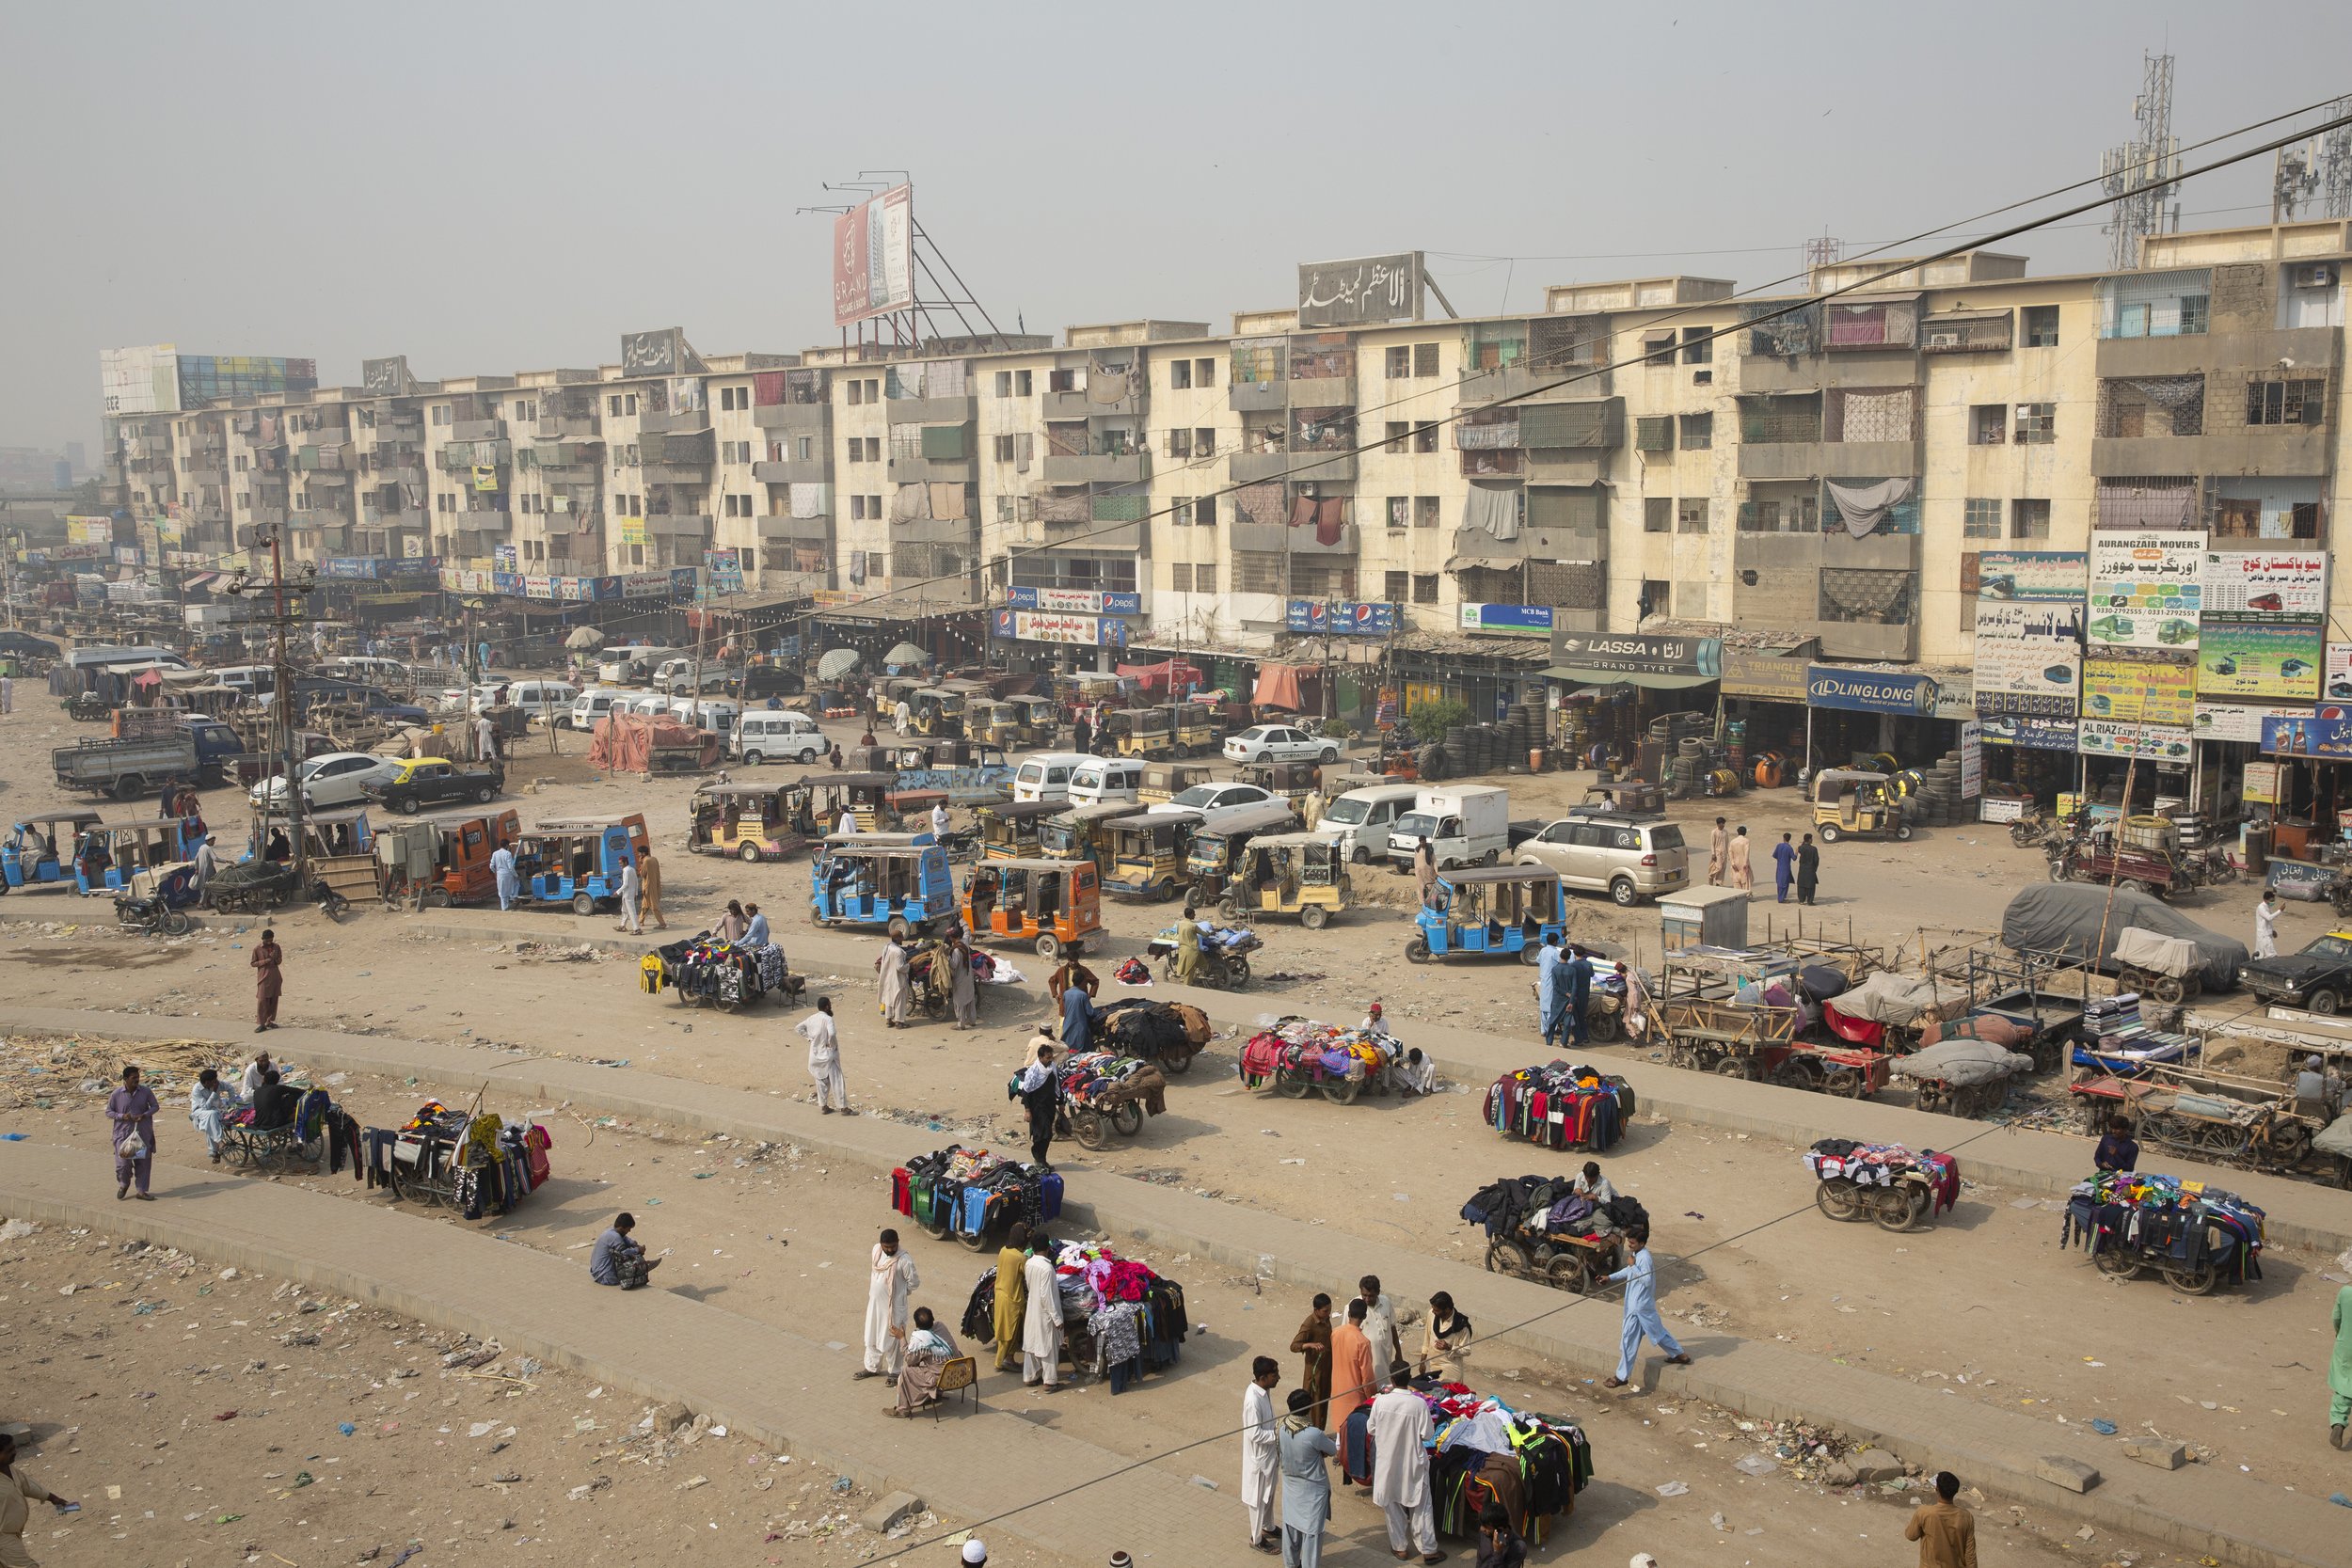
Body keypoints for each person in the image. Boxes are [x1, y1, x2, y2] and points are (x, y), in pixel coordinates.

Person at [1603, 1225, 1690, 1387]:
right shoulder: (1636, 1254)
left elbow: (1646, 1280)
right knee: (1658, 1333)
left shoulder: (1645, 1258)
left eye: (1633, 1243)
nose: (1630, 1246)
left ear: (1642, 1243)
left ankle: (1621, 1377)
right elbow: (1629, 1272)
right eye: (1629, 1243)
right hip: (1640, 1305)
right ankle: (1681, 1355)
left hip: (1639, 1307)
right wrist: (1610, 1277)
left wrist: (1633, 1266)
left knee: (1629, 1340)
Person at [1367, 1381, 1444, 1565]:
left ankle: (1400, 1547)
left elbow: (1371, 1429)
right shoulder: (1419, 1404)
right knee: (1422, 1507)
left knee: (1391, 1503)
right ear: (1409, 1380)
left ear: (1392, 1381)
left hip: (1389, 1464)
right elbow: (1427, 1434)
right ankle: (1428, 1551)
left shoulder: (1381, 1402)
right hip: (1413, 1463)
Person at [1276, 1386, 1339, 1568]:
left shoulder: (1280, 1425)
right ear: (1309, 1408)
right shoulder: (1313, 1434)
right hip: (1312, 1491)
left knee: (1291, 1529)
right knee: (1312, 1534)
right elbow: (1333, 1449)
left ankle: (1291, 1564)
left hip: (1290, 1485)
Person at [1, 1428, 76, 1565]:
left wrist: (53, 1499)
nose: (15, 1453)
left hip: (14, 1533)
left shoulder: (8, 1469)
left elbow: (27, 1485)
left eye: (14, 1448)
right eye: (9, 1451)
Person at [856, 1229, 920, 1380]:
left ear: (898, 1242)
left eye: (893, 1246)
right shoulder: (876, 1250)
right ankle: (872, 1368)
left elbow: (914, 1283)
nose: (890, 1249)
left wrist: (901, 1294)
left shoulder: (904, 1260)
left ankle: (895, 1372)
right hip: (875, 1305)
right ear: (881, 1244)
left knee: (895, 1340)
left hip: (895, 1309)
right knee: (872, 1336)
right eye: (887, 1247)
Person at [1326, 1299, 1376, 1481]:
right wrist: (1373, 1396)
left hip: (1338, 1385)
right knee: (1354, 1430)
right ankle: (1350, 1462)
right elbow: (1367, 1377)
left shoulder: (1336, 1333)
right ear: (1364, 1317)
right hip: (1356, 1392)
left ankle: (1340, 1453)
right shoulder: (1362, 1342)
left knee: (1340, 1425)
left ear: (1349, 1314)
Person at [885, 1306, 961, 1418]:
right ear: (933, 1319)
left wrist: (901, 1338)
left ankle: (902, 1410)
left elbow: (909, 1360)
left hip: (942, 1379)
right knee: (933, 1363)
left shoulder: (921, 1339)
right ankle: (934, 1395)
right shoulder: (941, 1326)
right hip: (958, 1373)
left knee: (906, 1372)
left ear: (917, 1325)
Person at [1241, 1354, 1283, 1553]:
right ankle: (1257, 1538)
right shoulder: (1252, 1400)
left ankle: (1269, 1526)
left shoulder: (1264, 1392)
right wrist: (1278, 1435)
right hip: (1259, 1458)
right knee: (1257, 1500)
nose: (1278, 1377)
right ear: (1263, 1377)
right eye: (1275, 1374)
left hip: (1269, 1455)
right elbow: (1254, 1433)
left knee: (1269, 1494)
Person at [1903, 1470, 1978, 1568]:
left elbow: (1911, 1536)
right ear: (1955, 1491)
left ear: (1936, 1488)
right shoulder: (1966, 1517)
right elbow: (1970, 1555)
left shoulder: (1924, 1513)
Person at [107, 1065, 159, 1202]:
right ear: (125, 1079)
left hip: (142, 1133)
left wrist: (145, 1115)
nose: (137, 1080)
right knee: (123, 1164)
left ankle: (141, 1191)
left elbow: (155, 1106)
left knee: (143, 1163)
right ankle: (124, 1184)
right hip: (123, 1135)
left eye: (138, 1077)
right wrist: (122, 1116)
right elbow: (109, 1112)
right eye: (133, 1078)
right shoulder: (117, 1094)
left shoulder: (146, 1091)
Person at [1020, 1237, 1064, 1389]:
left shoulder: (1029, 1263)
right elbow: (1047, 1296)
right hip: (1045, 1313)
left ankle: (1030, 1377)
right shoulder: (1047, 1268)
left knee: (1032, 1345)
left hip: (1032, 1309)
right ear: (1047, 1249)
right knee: (1048, 1348)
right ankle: (1050, 1381)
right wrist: (1057, 1318)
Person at [1358, 1275, 1414, 1384]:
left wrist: (1398, 1352)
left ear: (1378, 1292)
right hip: (1366, 1363)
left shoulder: (1386, 1302)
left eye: (1371, 1296)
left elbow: (1392, 1327)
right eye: (1364, 1295)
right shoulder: (1354, 1307)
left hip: (1385, 1359)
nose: (1367, 1299)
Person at [799, 998, 850, 1113]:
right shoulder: (828, 1019)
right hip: (828, 1055)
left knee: (821, 1081)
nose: (831, 1007)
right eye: (830, 1005)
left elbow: (798, 1028)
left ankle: (824, 1106)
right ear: (827, 1007)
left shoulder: (811, 1018)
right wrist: (832, 1045)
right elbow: (832, 1034)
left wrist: (810, 1038)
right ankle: (843, 1107)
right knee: (837, 1080)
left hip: (815, 1055)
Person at [992, 1223, 1031, 1372]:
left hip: (1000, 1294)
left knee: (1004, 1330)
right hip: (1012, 1299)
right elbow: (1028, 1276)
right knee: (1011, 1332)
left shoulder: (1003, 1250)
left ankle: (1008, 1358)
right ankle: (1001, 1361)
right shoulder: (1020, 1257)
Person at [1289, 1293, 1333, 1425]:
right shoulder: (1309, 1324)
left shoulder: (1326, 1319)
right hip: (1314, 1373)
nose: (1328, 1313)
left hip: (1326, 1369)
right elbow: (1294, 1346)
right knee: (1314, 1404)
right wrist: (1310, 1345)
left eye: (1330, 1310)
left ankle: (1319, 1431)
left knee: (1324, 1401)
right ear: (1316, 1310)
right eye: (1325, 1311)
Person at [589, 1212, 660, 1289]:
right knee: (629, 1256)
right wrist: (638, 1250)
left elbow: (626, 1239)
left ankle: (643, 1265)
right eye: (628, 1229)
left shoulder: (611, 1231)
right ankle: (642, 1267)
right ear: (622, 1228)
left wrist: (634, 1244)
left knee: (629, 1249)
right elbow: (624, 1252)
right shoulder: (616, 1237)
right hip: (605, 1277)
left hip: (596, 1272)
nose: (629, 1231)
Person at [1017, 1044, 1058, 1169]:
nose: (1050, 1060)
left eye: (1051, 1057)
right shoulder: (1033, 1072)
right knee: (1042, 1134)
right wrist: (1027, 1110)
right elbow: (1026, 1092)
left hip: (1050, 1106)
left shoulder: (1052, 1068)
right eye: (1047, 1057)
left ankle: (1042, 1160)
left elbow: (1057, 1085)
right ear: (1040, 1058)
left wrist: (1061, 1103)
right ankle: (1038, 1158)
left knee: (1047, 1135)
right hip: (1037, 1108)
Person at [1419, 1291, 1472, 1382]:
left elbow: (1467, 1351)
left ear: (1447, 1310)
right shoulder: (1431, 1314)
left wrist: (1449, 1347)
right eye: (1433, 1309)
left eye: (1437, 1310)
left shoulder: (1461, 1326)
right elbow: (1427, 1339)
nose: (1433, 1311)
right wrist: (1422, 1362)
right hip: (1433, 1366)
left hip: (1450, 1369)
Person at [188, 1068, 232, 1164]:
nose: (216, 1083)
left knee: (212, 1119)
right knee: (212, 1114)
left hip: (214, 1109)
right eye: (214, 1081)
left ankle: (214, 1151)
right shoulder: (197, 1089)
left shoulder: (216, 1083)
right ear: (207, 1082)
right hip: (199, 1111)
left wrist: (231, 1102)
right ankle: (219, 1141)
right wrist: (214, 1092)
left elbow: (230, 1088)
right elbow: (205, 1107)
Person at [2329, 1281, 2352, 1451]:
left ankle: (2338, 1422)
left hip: (2346, 1346)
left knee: (2344, 1385)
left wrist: (2341, 1335)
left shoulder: (2345, 1292)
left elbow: (2336, 1318)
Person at [1535, 936, 1567, 1047]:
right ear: (1555, 941)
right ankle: (1550, 1030)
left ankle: (1544, 1030)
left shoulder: (1543, 950)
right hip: (1550, 981)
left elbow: (1538, 960)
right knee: (1550, 1007)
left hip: (1543, 980)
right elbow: (1563, 962)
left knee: (1543, 1006)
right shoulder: (1555, 953)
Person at [250, 928, 284, 1032]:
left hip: (275, 976)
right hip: (263, 977)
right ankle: (261, 1023)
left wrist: (274, 958)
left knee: (273, 1000)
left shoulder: (276, 947)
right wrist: (266, 960)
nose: (269, 942)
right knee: (262, 1000)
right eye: (267, 940)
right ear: (263, 939)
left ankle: (269, 1021)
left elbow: (279, 960)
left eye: (271, 940)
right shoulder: (257, 949)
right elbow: (253, 963)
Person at [877, 936, 913, 1027]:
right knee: (899, 1000)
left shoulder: (887, 947)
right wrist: (909, 966)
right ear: (897, 938)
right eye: (901, 938)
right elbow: (900, 967)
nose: (902, 939)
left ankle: (889, 1020)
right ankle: (899, 1022)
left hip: (888, 977)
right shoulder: (899, 952)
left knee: (889, 998)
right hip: (897, 979)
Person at [946, 932, 978, 1029]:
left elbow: (954, 965)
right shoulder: (964, 945)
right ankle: (972, 1021)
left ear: (951, 938)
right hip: (968, 976)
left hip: (960, 978)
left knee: (959, 1001)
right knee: (969, 998)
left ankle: (961, 1024)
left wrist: (947, 956)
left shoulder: (956, 950)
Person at [1564, 944, 1594, 1048]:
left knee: (1575, 1017)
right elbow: (1592, 975)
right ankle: (1585, 1037)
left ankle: (1579, 1038)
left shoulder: (1572, 966)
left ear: (1574, 954)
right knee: (1582, 1016)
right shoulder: (1589, 964)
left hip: (1575, 994)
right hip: (1585, 993)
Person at [1059, 979, 1095, 1052]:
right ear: (1082, 982)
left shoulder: (1066, 993)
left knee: (1067, 1045)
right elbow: (1090, 1012)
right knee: (1080, 1047)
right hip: (1079, 1025)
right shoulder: (1083, 995)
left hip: (1067, 1023)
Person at [638, 847, 668, 930]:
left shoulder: (646, 861)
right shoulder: (654, 859)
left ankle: (662, 924)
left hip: (649, 887)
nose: (638, 855)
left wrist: (640, 863)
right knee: (645, 905)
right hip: (656, 885)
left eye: (639, 853)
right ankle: (640, 920)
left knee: (654, 906)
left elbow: (642, 874)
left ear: (643, 853)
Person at [1173, 917, 1203, 985]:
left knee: (1185, 966)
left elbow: (1178, 932)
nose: (1195, 915)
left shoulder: (1179, 924)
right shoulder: (1193, 925)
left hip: (1182, 949)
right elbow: (1203, 933)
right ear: (1190, 915)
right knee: (1190, 968)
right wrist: (1210, 933)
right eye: (1193, 914)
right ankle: (1187, 985)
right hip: (1191, 950)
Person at [490, 842, 518, 911]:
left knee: (502, 892)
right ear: (506, 845)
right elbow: (510, 867)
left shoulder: (495, 853)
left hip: (499, 875)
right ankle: (514, 897)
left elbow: (491, 866)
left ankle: (504, 907)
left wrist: (495, 872)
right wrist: (516, 875)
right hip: (508, 874)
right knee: (516, 883)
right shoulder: (508, 854)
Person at [2255, 889, 2281, 959]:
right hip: (2264, 935)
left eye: (2273, 901)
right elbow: (2269, 918)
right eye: (2271, 901)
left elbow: (2268, 922)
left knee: (2263, 954)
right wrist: (2280, 910)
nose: (2272, 902)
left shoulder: (2268, 907)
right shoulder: (2261, 907)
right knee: (2271, 954)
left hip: (2268, 933)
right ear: (2265, 899)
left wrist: (2272, 930)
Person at [1796, 832, 1820, 907]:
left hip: (1802, 869)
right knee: (1810, 886)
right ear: (1809, 840)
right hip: (1810, 869)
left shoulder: (1801, 848)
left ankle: (1801, 900)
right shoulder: (1814, 849)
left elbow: (1799, 848)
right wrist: (1815, 868)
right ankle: (1810, 901)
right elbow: (1816, 860)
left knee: (1801, 885)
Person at [1772, 832, 1797, 903]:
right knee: (1785, 884)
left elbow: (1774, 855)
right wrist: (1796, 852)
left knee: (1779, 883)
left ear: (1783, 838)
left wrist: (1780, 858)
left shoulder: (1779, 846)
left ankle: (1781, 897)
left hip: (1779, 867)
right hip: (1786, 868)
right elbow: (1794, 858)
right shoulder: (1789, 848)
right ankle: (1782, 898)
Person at [1413, 837, 1438, 909]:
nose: (1422, 843)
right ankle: (1422, 903)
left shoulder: (1430, 849)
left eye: (1423, 842)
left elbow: (1434, 860)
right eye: (1421, 842)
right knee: (1421, 888)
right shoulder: (1417, 850)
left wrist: (1436, 871)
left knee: (1431, 887)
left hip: (1428, 872)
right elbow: (1415, 861)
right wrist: (1416, 870)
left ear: (1425, 841)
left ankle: (1433, 903)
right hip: (1420, 873)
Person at [1729, 826, 1754, 893]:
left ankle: (1737, 894)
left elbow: (1730, 853)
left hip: (1735, 862)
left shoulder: (1732, 841)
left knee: (1736, 879)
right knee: (1746, 879)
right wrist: (1746, 863)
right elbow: (1746, 852)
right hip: (1743, 862)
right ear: (1745, 833)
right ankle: (1747, 894)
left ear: (1737, 832)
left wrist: (1732, 863)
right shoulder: (1746, 841)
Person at [1707, 816, 1728, 886]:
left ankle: (1718, 883)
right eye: (1722, 824)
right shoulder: (1714, 832)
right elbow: (1712, 843)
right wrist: (1713, 854)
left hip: (1724, 853)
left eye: (1724, 824)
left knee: (1723, 868)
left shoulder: (1725, 832)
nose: (1723, 825)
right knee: (1718, 867)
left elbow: (1727, 843)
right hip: (1717, 853)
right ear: (1718, 824)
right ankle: (1711, 876)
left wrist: (1728, 853)